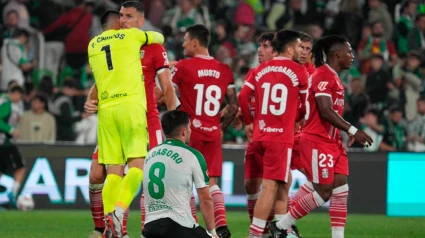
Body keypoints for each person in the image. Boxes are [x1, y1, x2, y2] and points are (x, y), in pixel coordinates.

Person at [84, 2, 177, 237]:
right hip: (130, 111)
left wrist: (174, 119)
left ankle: (142, 230)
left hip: (136, 116)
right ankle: (115, 227)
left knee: (137, 175)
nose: (124, 20)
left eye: (128, 16)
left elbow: (166, 87)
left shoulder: (149, 49)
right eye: (121, 16)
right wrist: (89, 98)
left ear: (139, 20)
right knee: (113, 171)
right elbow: (99, 82)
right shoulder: (130, 40)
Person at [269, 35, 373, 238]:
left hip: (333, 142)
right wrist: (352, 130)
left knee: (341, 188)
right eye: (349, 52)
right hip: (318, 141)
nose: (352, 56)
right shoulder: (322, 75)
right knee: (324, 192)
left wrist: (343, 131)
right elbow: (325, 110)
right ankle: (281, 226)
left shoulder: (333, 77)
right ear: (337, 53)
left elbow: (331, 112)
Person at [238, 30, 308, 238]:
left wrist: (249, 123)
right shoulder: (299, 71)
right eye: (299, 47)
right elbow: (304, 107)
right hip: (280, 138)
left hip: (259, 135)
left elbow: (243, 96)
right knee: (270, 187)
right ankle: (257, 234)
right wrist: (297, 119)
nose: (301, 51)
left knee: (280, 183)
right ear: (289, 49)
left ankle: (281, 229)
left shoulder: (259, 70)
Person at [172, 24, 238, 238]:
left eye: (185, 40)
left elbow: (164, 91)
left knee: (186, 183)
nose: (183, 44)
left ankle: (191, 226)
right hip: (212, 133)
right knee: (211, 184)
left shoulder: (183, 67)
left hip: (189, 132)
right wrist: (220, 127)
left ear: (194, 42)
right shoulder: (224, 69)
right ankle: (220, 226)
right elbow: (234, 106)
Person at [142, 110, 218, 238]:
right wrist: (213, 232)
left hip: (150, 227)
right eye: (189, 127)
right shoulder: (193, 155)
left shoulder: (150, 154)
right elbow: (205, 199)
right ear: (183, 131)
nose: (191, 131)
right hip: (178, 227)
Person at [0, 85, 25, 207]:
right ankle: (12, 194)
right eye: (20, 96)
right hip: (4, 142)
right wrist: (11, 130)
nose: (19, 99)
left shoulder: (2, 99)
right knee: (20, 167)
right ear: (16, 93)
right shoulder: (6, 103)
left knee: (1, 170)